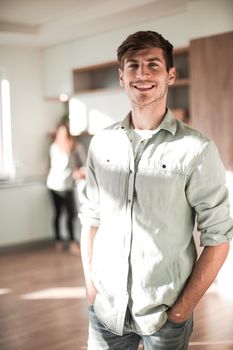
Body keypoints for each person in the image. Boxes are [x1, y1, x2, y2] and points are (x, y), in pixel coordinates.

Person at [80, 31, 233, 349]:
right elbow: (91, 219)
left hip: (164, 318)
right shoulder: (101, 144)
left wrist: (181, 310)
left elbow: (218, 239)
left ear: (171, 75)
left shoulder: (196, 149)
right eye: (133, 66)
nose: (143, 74)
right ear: (121, 77)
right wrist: (90, 287)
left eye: (153, 64)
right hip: (105, 310)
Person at [47, 122, 86, 255]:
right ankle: (58, 239)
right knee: (58, 213)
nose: (63, 135)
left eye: (65, 132)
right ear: (58, 134)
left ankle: (72, 242)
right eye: (61, 133)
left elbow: (82, 164)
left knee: (71, 214)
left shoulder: (75, 146)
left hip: (67, 186)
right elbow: (58, 168)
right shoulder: (54, 147)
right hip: (54, 185)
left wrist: (79, 172)